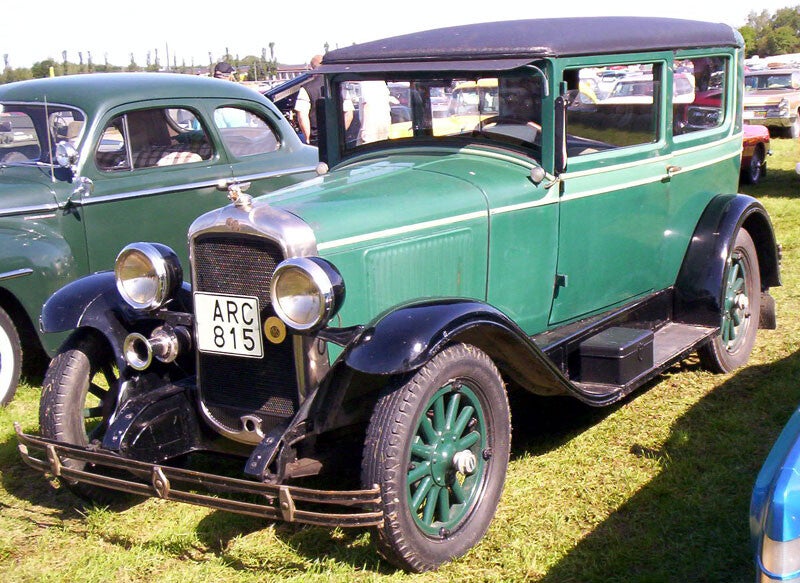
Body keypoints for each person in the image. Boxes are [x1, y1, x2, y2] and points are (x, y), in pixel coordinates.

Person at [294, 55, 325, 145]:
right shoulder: (338, 85)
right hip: (337, 138)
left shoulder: (306, 88)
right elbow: (348, 113)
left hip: (317, 139)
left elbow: (302, 116)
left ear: (312, 68)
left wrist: (307, 138)